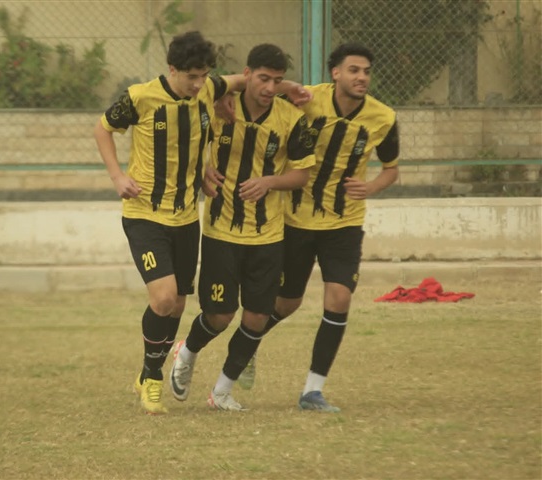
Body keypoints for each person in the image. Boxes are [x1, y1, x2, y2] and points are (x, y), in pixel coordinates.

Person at [94, 31, 253, 415]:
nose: (199, 84)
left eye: (204, 76)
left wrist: (286, 88)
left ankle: (147, 372)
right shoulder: (141, 97)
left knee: (178, 304)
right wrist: (117, 176)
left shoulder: (207, 89)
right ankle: (152, 377)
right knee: (164, 298)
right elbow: (102, 129)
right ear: (172, 69)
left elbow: (244, 79)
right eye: (191, 77)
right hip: (144, 214)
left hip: (185, 218)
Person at [236, 42, 401, 413]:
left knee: (339, 298)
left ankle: (313, 391)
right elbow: (262, 88)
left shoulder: (383, 117)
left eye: (367, 71)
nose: (362, 77)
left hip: (344, 223)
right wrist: (289, 85)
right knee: (287, 302)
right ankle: (247, 344)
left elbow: (391, 169)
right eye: (354, 70)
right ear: (335, 73)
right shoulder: (308, 100)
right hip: (296, 219)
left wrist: (371, 187)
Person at [168, 43, 316, 412]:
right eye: (263, 78)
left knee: (257, 317)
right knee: (220, 316)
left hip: (268, 233)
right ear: (247, 74)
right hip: (221, 229)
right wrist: (203, 168)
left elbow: (302, 174)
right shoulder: (220, 108)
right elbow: (190, 138)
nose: (269, 88)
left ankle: (221, 392)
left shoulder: (291, 119)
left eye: (277, 81)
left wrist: (269, 182)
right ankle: (187, 351)